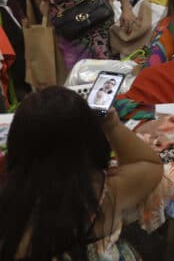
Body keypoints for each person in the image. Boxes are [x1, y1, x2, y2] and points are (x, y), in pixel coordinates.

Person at [0, 86, 163, 259]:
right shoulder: (103, 194)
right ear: (89, 138)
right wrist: (112, 125)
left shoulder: (10, 201)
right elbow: (148, 164)